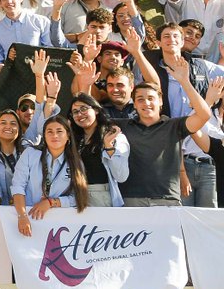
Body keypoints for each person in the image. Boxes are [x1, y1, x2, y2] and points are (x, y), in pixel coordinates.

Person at [119, 51, 214, 206]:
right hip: (131, 199)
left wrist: (184, 81)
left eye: (151, 99)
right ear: (134, 104)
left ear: (160, 101)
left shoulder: (174, 125)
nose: (146, 103)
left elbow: (203, 114)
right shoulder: (123, 126)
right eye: (140, 99)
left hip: (167, 199)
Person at [12, 116, 90, 236]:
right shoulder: (30, 154)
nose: (55, 135)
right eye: (50, 132)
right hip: (28, 220)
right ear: (44, 135)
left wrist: (51, 202)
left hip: (60, 225)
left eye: (59, 131)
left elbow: (78, 197)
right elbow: (18, 186)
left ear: (68, 135)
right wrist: (22, 216)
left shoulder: (76, 162)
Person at [67, 93, 130, 207]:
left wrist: (108, 146)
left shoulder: (114, 136)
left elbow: (121, 176)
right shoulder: (72, 139)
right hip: (75, 195)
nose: (79, 114)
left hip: (101, 195)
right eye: (75, 112)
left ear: (96, 110)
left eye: (84, 109)